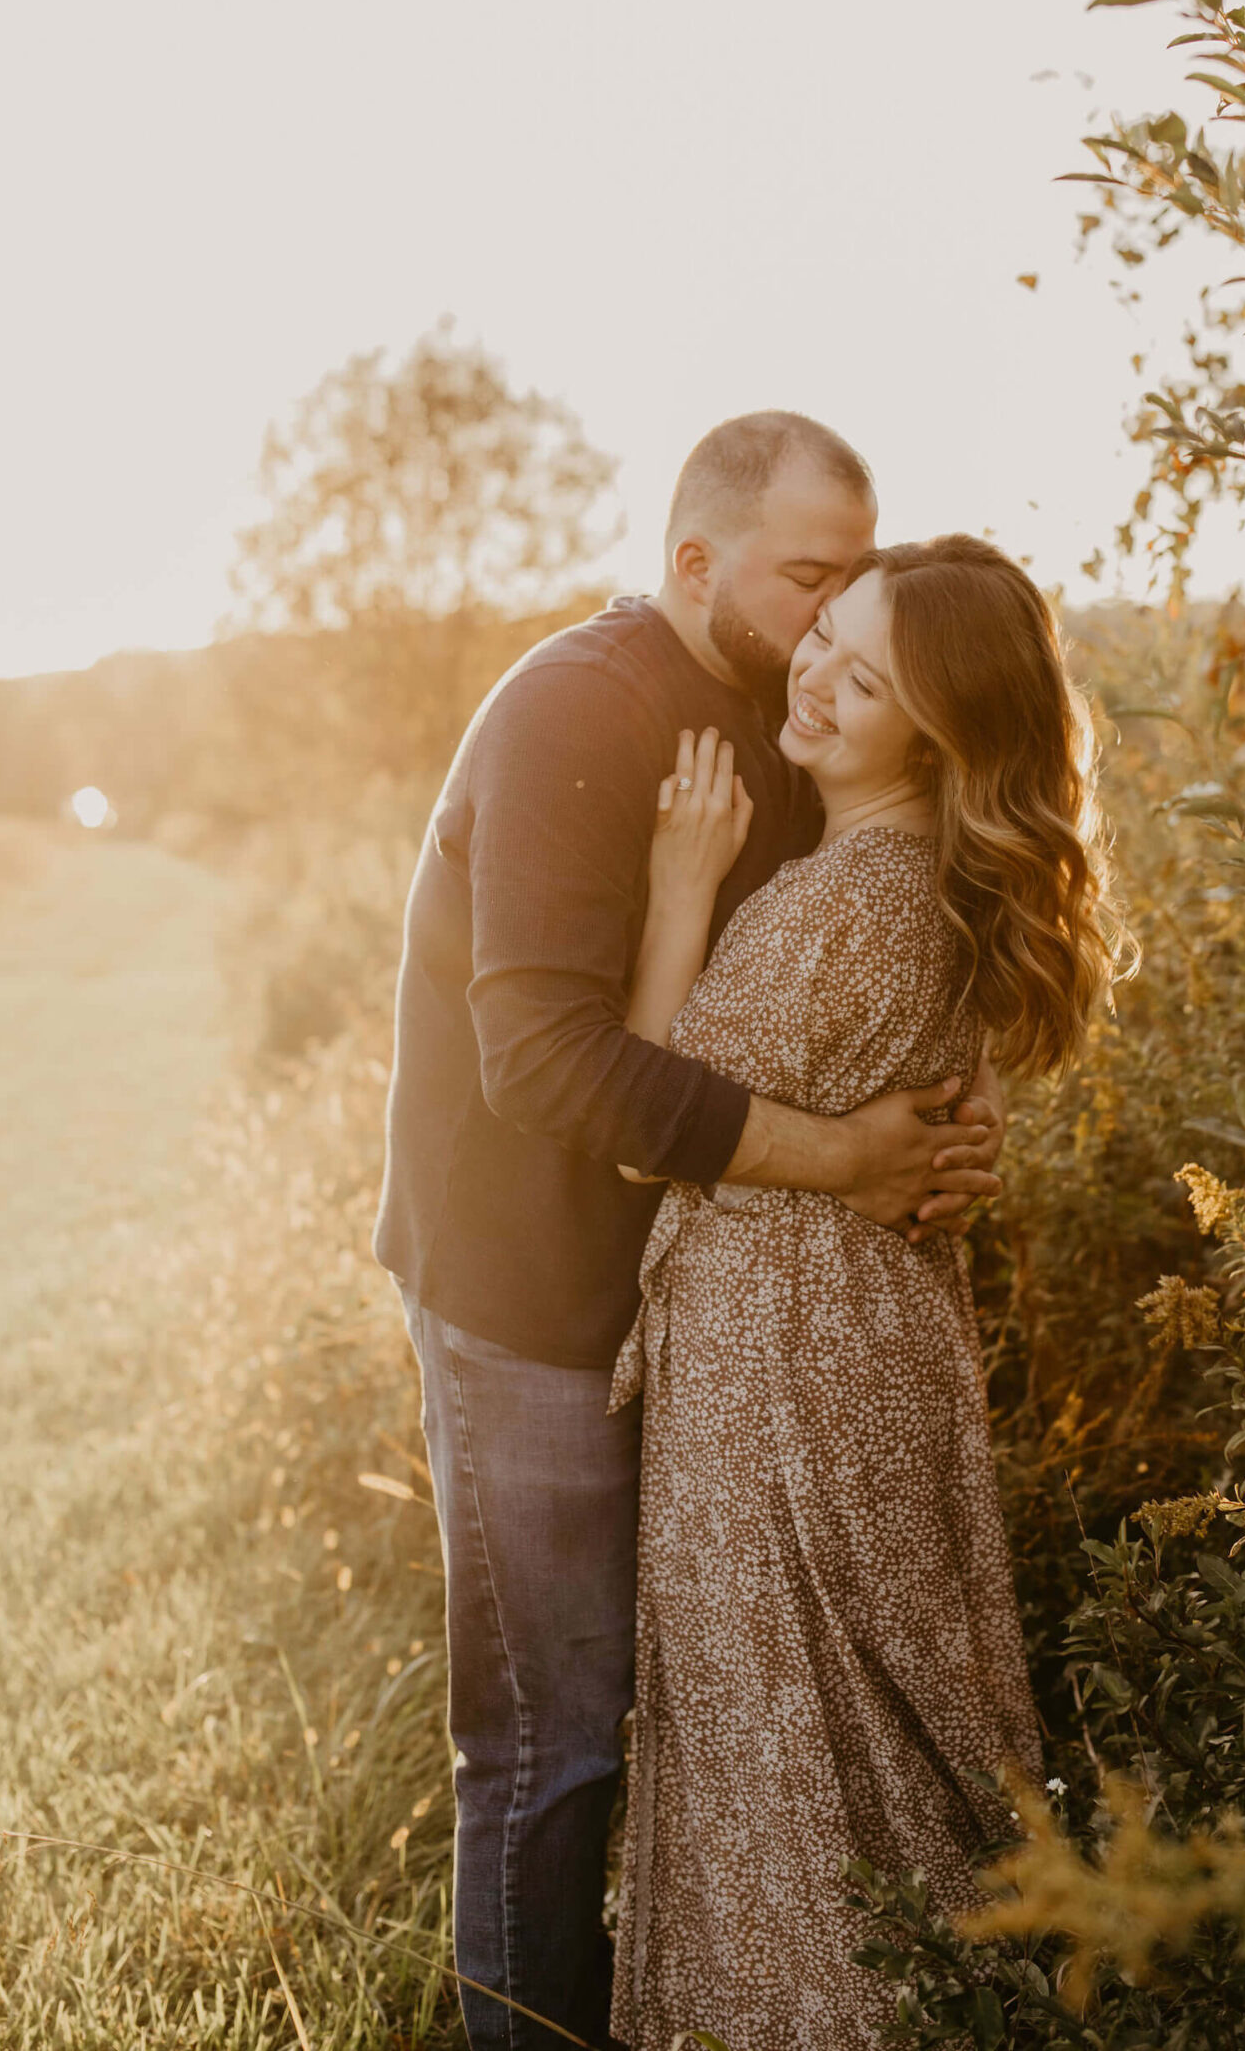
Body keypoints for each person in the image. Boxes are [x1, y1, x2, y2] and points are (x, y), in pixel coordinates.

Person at [373, 414, 1007, 2050]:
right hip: (530, 1303)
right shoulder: (576, 712)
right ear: (695, 561)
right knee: (554, 1743)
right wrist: (851, 1160)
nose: (829, 621)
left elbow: (856, 953)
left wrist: (948, 1108)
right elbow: (545, 1062)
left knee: (697, 1722)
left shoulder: (792, 725)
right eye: (810, 579)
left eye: (851, 586)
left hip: (715, 1319)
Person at [607, 535, 1121, 2050]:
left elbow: (651, 1128)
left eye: (867, 674)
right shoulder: (924, 884)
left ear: (936, 733)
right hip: (868, 1347)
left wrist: (679, 885)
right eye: (824, 630)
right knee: (879, 1750)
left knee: (793, 1761)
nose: (816, 674)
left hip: (787, 1370)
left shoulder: (852, 899)